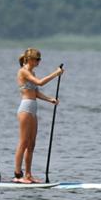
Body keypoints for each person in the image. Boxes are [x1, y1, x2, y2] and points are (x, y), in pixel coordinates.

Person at [14, 48, 64, 183]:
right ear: (29, 59)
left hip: (33, 108)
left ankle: (28, 175)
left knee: (31, 144)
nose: (39, 61)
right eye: (37, 59)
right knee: (23, 142)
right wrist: (56, 73)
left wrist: (50, 99)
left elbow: (36, 92)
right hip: (25, 108)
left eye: (39, 59)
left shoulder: (32, 72)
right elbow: (40, 82)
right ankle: (18, 175)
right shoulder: (23, 71)